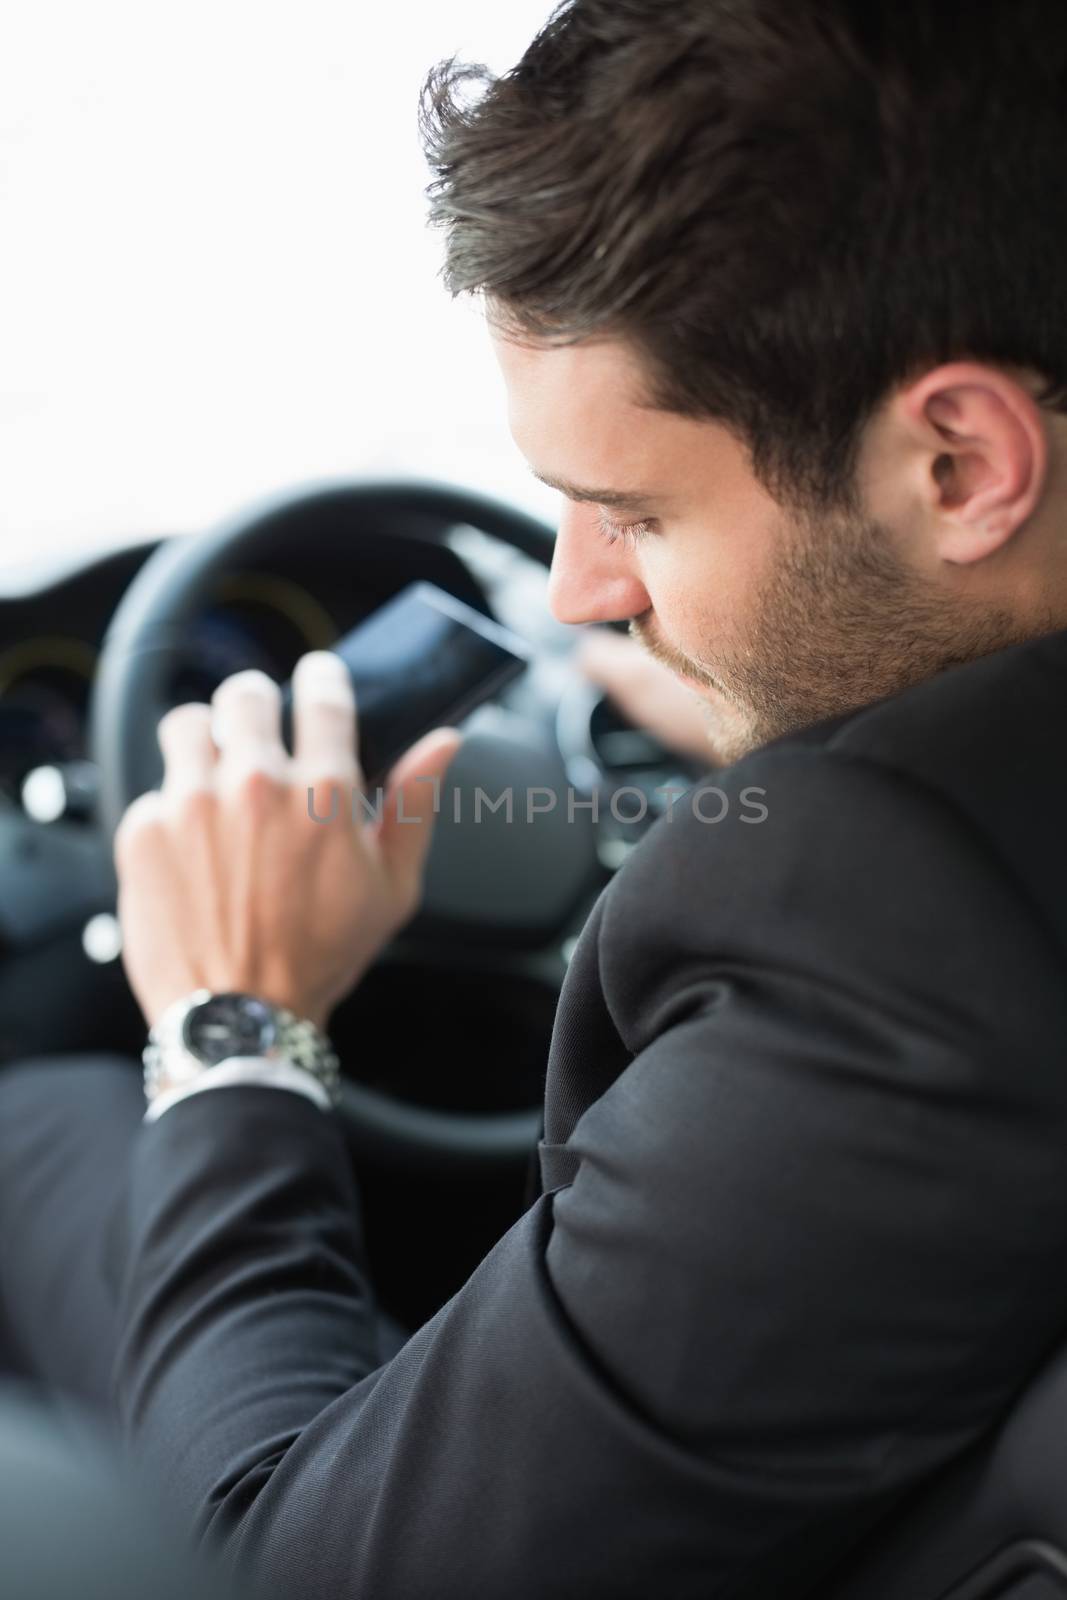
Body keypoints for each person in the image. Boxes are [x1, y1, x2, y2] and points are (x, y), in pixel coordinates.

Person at [4, 2, 1067, 1595]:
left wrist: (234, 1014)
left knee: (37, 1120)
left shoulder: (893, 929)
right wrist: (759, 703)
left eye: (632, 510)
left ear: (962, 465)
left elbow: (295, 1567)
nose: (578, 594)